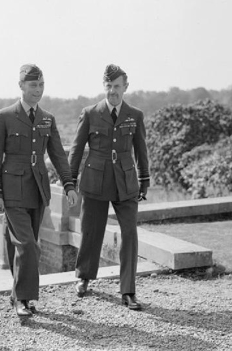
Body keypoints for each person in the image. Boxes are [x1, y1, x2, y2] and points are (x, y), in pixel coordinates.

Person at [0, 63, 78, 317]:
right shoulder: (4, 116)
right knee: (28, 245)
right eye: (32, 85)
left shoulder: (47, 118)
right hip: (12, 190)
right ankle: (23, 299)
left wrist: (69, 184)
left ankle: (18, 295)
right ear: (21, 86)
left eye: (41, 85)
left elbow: (58, 155)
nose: (38, 90)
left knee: (23, 245)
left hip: (38, 190)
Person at [68, 64, 150, 310]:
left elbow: (141, 150)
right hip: (95, 180)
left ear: (126, 87)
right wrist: (70, 182)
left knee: (130, 234)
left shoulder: (135, 115)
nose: (113, 91)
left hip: (126, 182)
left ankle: (128, 290)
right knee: (91, 230)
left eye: (117, 86)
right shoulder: (91, 113)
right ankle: (84, 276)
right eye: (109, 86)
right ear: (104, 87)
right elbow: (77, 148)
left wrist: (144, 181)